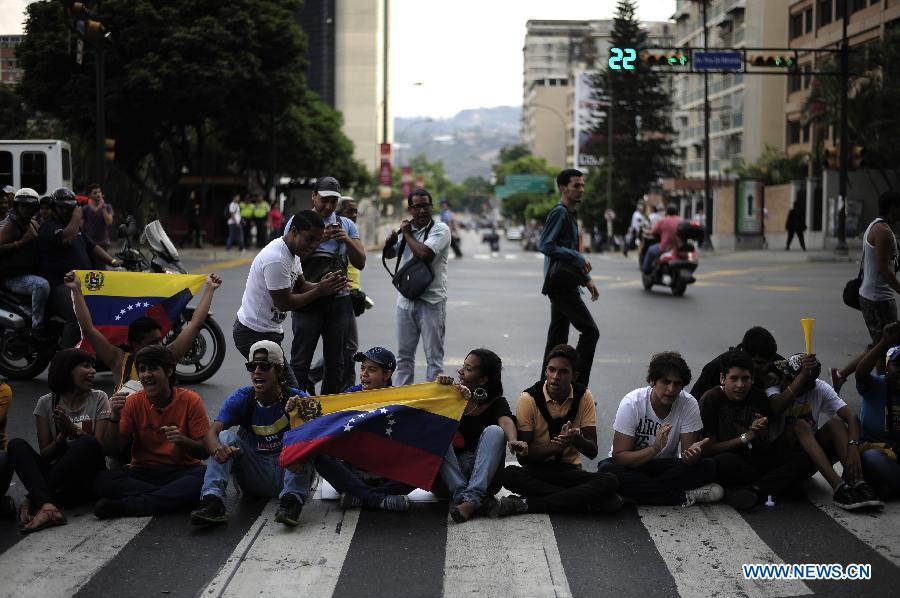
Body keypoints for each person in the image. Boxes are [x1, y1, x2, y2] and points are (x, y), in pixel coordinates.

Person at [190, 341, 312, 527]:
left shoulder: (297, 399)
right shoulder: (242, 398)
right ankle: (212, 501)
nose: (257, 371)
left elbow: (321, 436)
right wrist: (217, 450)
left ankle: (291, 503)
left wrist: (302, 455)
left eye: (264, 366)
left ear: (279, 371)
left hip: (289, 471)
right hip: (255, 475)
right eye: (252, 366)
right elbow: (211, 433)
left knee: (305, 440)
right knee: (224, 438)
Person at [499, 345, 621, 516]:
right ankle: (584, 501)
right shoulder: (529, 399)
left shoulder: (584, 396)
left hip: (569, 471)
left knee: (610, 480)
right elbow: (524, 457)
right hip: (538, 472)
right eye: (551, 370)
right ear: (545, 371)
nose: (555, 377)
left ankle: (528, 504)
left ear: (574, 376)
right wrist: (556, 447)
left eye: (563, 372)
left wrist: (576, 439)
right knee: (508, 474)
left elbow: (592, 451)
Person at [234, 209, 346, 390]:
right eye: (310, 239)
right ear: (294, 231)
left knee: (276, 390)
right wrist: (320, 291)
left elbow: (301, 285)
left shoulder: (293, 253)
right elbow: (284, 303)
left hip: (269, 332)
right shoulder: (277, 258)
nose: (314, 246)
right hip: (252, 333)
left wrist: (324, 285)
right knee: (288, 389)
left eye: (318, 241)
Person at [93, 345, 210, 518]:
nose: (147, 375)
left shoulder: (190, 400)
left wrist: (182, 441)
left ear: (169, 371)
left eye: (153, 368)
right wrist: (114, 417)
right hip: (144, 472)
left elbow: (204, 452)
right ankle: (170, 497)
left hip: (181, 470)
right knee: (102, 480)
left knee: (205, 476)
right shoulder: (132, 402)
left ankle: (128, 506)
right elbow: (114, 451)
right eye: (142, 370)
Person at [597, 351, 723, 506]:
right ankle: (682, 496)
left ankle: (633, 493)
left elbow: (686, 458)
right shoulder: (632, 403)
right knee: (606, 469)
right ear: (652, 381)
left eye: (677, 384)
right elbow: (620, 457)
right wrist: (655, 449)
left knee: (708, 466)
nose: (671, 389)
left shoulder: (688, 404)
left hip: (665, 467)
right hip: (632, 466)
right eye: (666, 382)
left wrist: (693, 456)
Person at [65, 270, 222, 392]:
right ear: (135, 345)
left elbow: (195, 324)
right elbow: (89, 329)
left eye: (159, 340)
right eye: (152, 342)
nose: (159, 345)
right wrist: (77, 290)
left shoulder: (168, 356)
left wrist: (210, 289)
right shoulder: (119, 361)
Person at [7, 349, 110, 532]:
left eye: (93, 366)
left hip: (87, 480)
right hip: (59, 482)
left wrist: (73, 430)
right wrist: (62, 437)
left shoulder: (99, 398)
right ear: (67, 370)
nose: (93, 371)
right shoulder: (47, 402)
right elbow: (45, 454)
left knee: (86, 443)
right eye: (86, 366)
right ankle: (48, 507)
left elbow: (99, 448)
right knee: (16, 445)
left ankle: (35, 498)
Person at [699, 350, 814, 510]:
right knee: (724, 462)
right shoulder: (711, 399)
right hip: (728, 459)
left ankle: (756, 489)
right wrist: (748, 436)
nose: (740, 385)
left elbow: (764, 443)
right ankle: (774, 486)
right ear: (722, 378)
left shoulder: (758, 397)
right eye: (734, 379)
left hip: (754, 459)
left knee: (802, 459)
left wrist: (761, 433)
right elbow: (709, 449)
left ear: (752, 378)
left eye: (745, 379)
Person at [768, 353, 883, 510]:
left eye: (789, 378)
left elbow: (852, 418)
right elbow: (775, 408)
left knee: (835, 424)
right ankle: (838, 488)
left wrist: (853, 446)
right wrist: (799, 378)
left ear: (809, 385)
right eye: (785, 376)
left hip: (810, 456)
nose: (783, 380)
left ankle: (858, 482)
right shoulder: (773, 388)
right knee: (800, 425)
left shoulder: (819, 388)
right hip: (782, 458)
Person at [313, 347, 416, 512]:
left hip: (388, 475)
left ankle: (360, 497)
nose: (364, 374)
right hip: (352, 475)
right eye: (362, 368)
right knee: (318, 455)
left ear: (387, 375)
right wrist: (296, 406)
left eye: (372, 369)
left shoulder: (400, 400)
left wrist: (444, 386)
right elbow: (325, 418)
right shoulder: (350, 396)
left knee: (429, 460)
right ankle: (378, 499)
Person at [290, 177, 365, 395]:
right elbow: (290, 259)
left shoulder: (347, 225)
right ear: (313, 196)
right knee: (300, 361)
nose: (328, 206)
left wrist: (347, 241)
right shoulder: (299, 221)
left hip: (339, 302)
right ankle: (297, 407)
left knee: (336, 363)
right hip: (308, 300)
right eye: (324, 200)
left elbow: (360, 262)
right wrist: (319, 240)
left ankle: (328, 413)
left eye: (333, 201)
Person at [437, 349, 524, 522]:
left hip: (484, 477)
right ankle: (467, 498)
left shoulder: (496, 402)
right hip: (454, 477)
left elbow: (506, 422)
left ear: (483, 380)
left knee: (495, 431)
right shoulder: (450, 395)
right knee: (436, 429)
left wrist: (513, 440)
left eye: (468, 369)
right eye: (463, 366)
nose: (460, 372)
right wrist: (438, 389)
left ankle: (471, 499)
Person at [382, 188, 452, 385]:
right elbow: (390, 255)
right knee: (403, 357)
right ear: (411, 209)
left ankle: (432, 406)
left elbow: (425, 254)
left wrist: (406, 233)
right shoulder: (407, 230)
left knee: (434, 360)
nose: (422, 211)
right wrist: (389, 243)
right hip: (406, 301)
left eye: (426, 206)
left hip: (432, 302)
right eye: (417, 207)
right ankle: (403, 406)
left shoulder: (441, 229)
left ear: (431, 207)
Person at [538, 169, 600, 387]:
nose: (581, 189)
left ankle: (542, 389)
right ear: (563, 188)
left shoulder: (570, 214)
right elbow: (545, 245)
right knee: (590, 332)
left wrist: (586, 278)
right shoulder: (560, 213)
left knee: (557, 339)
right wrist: (578, 258)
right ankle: (578, 386)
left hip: (565, 282)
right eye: (576, 185)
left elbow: (568, 254)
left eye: (582, 185)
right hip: (560, 284)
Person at [37, 188, 121, 347]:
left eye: (68, 208)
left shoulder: (76, 228)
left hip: (82, 283)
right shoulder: (48, 226)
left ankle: (101, 350)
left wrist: (115, 262)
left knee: (107, 304)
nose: (65, 211)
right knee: (78, 315)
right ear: (54, 207)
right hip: (60, 284)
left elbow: (93, 246)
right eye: (61, 207)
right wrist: (77, 216)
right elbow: (67, 239)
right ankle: (67, 359)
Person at [855, 322, 900, 500]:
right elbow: (860, 374)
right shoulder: (877, 386)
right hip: (876, 453)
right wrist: (884, 342)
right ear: (887, 368)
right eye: (897, 365)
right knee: (873, 458)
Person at [0, 187, 49, 336]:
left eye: (30, 206)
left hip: (30, 272)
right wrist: (20, 242)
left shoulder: (33, 223)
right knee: (41, 285)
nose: (27, 210)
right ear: (17, 207)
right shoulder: (12, 225)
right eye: (23, 206)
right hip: (13, 277)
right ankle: (36, 327)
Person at [690, 326, 782, 400]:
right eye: (759, 363)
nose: (765, 368)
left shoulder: (777, 363)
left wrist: (780, 379)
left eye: (769, 363)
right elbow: (693, 402)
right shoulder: (716, 367)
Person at [859, 191, 900, 353]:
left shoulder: (876, 225)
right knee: (886, 347)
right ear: (893, 208)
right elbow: (883, 267)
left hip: (874, 296)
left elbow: (888, 263)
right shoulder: (883, 231)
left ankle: (841, 373)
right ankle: (881, 378)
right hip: (878, 299)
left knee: (880, 345)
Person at [642, 203, 683, 275]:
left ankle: (645, 270)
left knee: (650, 250)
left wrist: (646, 232)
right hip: (679, 247)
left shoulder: (663, 220)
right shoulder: (681, 220)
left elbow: (653, 232)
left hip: (666, 247)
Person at [81, 183, 114, 255]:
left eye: (99, 192)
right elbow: (81, 227)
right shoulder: (85, 209)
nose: (98, 194)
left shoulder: (107, 207)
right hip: (90, 242)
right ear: (90, 195)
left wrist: (103, 207)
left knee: (101, 265)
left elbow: (109, 222)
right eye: (95, 193)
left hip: (103, 243)